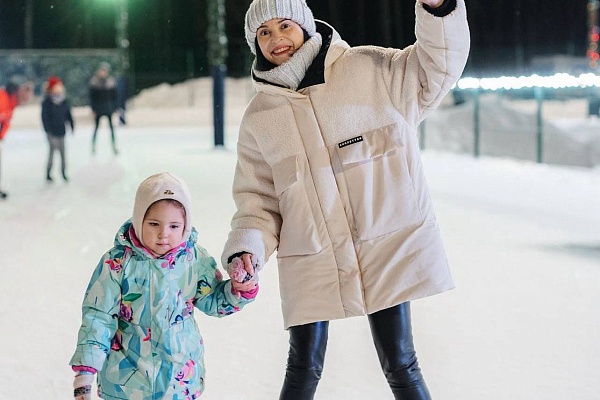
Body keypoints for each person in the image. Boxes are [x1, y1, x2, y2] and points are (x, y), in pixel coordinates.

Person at [221, 0, 470, 399]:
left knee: (401, 363)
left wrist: (438, 9)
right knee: (302, 367)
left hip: (385, 244)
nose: (276, 38)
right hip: (311, 255)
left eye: (285, 25)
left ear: (305, 25)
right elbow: (258, 200)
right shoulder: (260, 118)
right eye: (263, 32)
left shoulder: (367, 69)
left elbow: (436, 68)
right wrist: (247, 248)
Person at [70, 172, 258, 399]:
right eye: (154, 224)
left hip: (178, 382)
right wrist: (85, 372)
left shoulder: (194, 260)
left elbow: (214, 301)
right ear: (138, 220)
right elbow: (98, 316)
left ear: (185, 226)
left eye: (174, 226)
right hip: (126, 385)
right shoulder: (117, 263)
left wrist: (240, 289)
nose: (163, 234)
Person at [0, 75, 34, 199]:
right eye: (25, 90)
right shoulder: (2, 100)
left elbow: (6, 122)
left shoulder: (11, 102)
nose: (28, 95)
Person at [41, 76, 74, 182]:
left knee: (63, 153)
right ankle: (48, 172)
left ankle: (63, 172)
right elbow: (44, 117)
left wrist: (71, 124)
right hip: (51, 132)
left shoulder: (64, 100)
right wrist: (47, 130)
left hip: (61, 130)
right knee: (52, 152)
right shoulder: (47, 101)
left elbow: (68, 114)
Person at [89, 62, 118, 155]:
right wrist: (93, 109)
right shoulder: (94, 82)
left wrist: (115, 108)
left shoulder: (110, 82)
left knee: (111, 128)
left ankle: (114, 146)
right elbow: (92, 98)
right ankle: (93, 147)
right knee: (96, 128)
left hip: (108, 107)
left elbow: (114, 96)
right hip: (98, 108)